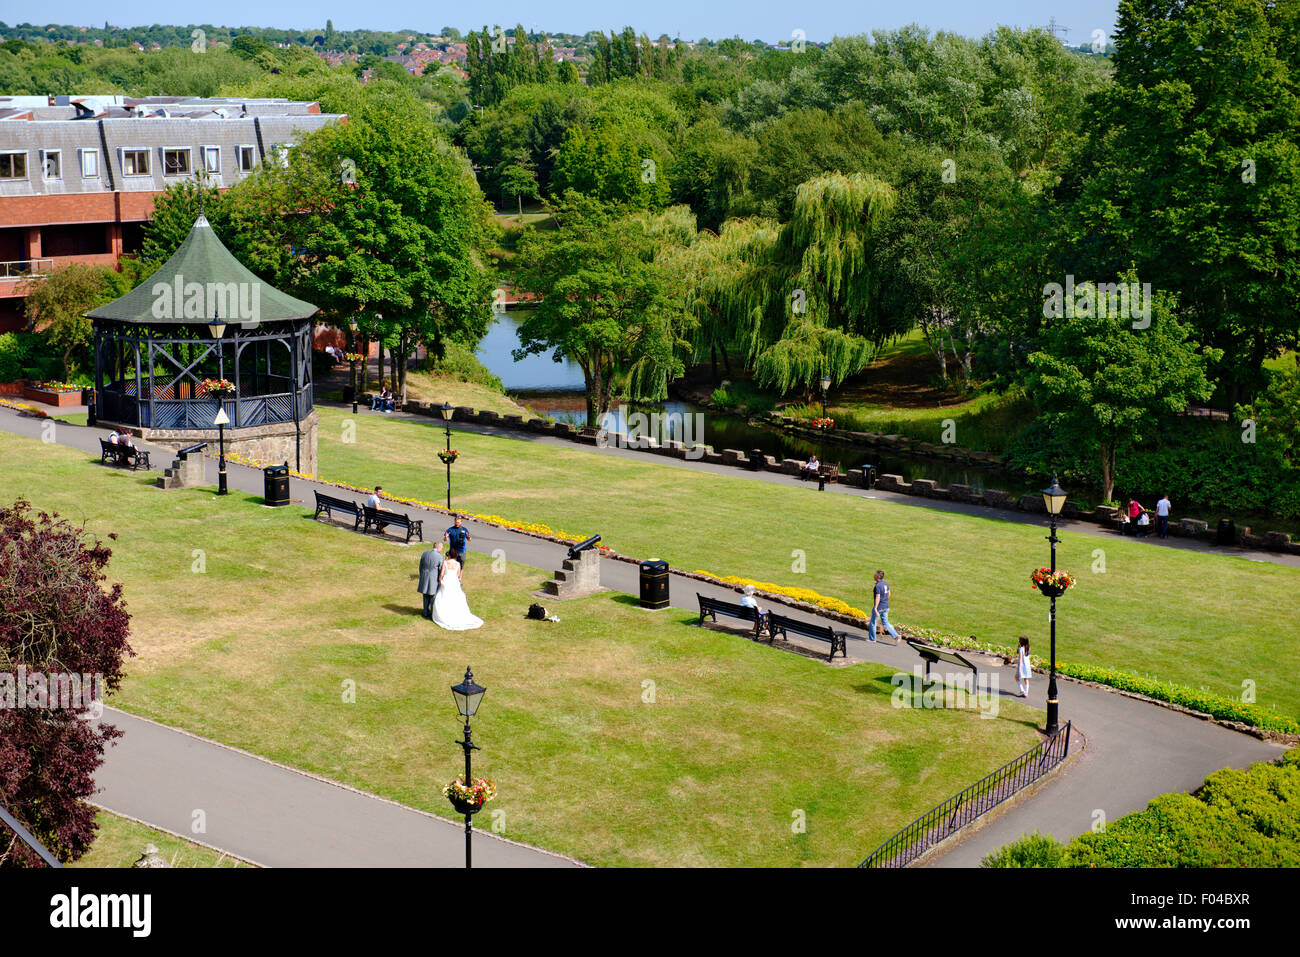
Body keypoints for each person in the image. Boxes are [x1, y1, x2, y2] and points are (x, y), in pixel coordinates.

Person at [431, 553, 483, 630]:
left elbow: (441, 574)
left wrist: (439, 581)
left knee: (444, 596)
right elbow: (458, 575)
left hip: (447, 580)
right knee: (455, 597)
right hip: (454, 581)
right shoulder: (458, 564)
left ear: (449, 555)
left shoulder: (445, 563)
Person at [868, 569, 899, 643]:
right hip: (886, 606)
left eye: (875, 575)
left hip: (879, 607)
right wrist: (884, 600)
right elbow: (889, 594)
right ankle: (896, 636)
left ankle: (872, 639)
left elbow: (878, 597)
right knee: (886, 622)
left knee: (873, 623)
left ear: (878, 577)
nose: (873, 576)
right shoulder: (885, 583)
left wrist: (875, 608)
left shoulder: (877, 586)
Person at [417, 543, 444, 619]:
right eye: (441, 548)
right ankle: (432, 613)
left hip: (424, 576)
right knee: (432, 596)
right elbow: (440, 569)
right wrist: (440, 579)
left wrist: (422, 574)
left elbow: (420, 566)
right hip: (433, 578)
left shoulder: (424, 553)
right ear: (438, 547)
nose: (441, 550)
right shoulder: (439, 557)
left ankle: (425, 611)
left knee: (425, 595)